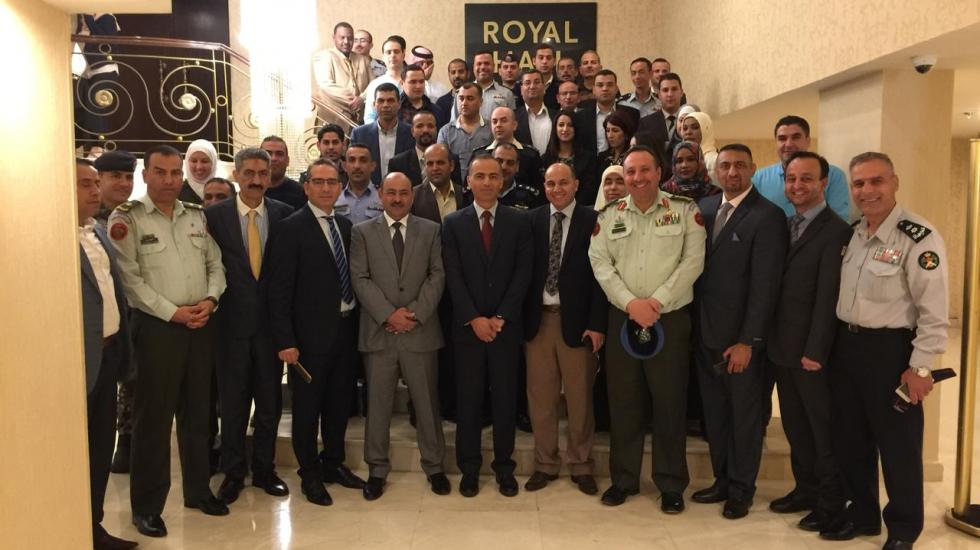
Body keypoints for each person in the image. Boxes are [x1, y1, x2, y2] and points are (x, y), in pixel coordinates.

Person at [821, 152, 948, 550]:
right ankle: (862, 516)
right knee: (851, 440)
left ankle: (903, 530)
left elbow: (934, 312)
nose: (867, 190)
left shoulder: (919, 238)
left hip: (891, 354)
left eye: (876, 181)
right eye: (859, 183)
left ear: (894, 182)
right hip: (848, 348)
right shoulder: (854, 234)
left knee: (898, 447)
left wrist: (920, 368)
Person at [109, 145, 228, 537]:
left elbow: (215, 264)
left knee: (198, 414)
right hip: (157, 329)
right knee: (154, 421)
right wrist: (172, 312)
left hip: (200, 325)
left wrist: (210, 299)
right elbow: (129, 281)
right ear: (145, 174)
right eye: (161, 172)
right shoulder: (127, 218)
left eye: (176, 173)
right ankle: (146, 507)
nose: (170, 180)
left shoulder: (195, 215)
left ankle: (198, 491)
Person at [589, 145, 706, 509]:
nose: (637, 178)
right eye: (630, 172)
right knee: (624, 401)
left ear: (659, 173)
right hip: (623, 318)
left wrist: (655, 302)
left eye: (644, 170)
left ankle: (671, 484)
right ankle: (624, 480)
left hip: (668, 318)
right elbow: (600, 263)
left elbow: (693, 262)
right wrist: (631, 303)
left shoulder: (684, 211)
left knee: (669, 402)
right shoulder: (609, 215)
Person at [691, 143, 788, 520]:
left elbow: (765, 287)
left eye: (740, 166)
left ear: (753, 169)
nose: (732, 172)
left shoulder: (768, 216)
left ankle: (741, 489)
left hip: (740, 342)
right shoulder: (704, 209)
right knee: (715, 415)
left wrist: (748, 340)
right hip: (705, 335)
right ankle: (721, 480)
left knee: (744, 419)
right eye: (726, 166)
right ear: (716, 171)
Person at [266, 158, 366, 506]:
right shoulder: (290, 228)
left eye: (332, 182)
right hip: (307, 340)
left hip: (345, 331)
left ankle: (333, 463)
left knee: (339, 406)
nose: (326, 188)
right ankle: (309, 474)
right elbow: (278, 290)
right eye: (318, 182)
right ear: (306, 186)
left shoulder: (346, 226)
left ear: (340, 187)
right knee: (307, 411)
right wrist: (285, 340)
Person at [349, 172, 451, 500]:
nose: (396, 199)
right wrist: (388, 315)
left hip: (420, 331)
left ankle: (434, 466)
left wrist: (415, 314)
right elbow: (360, 278)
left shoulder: (431, 230)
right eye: (390, 192)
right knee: (378, 405)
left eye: (403, 193)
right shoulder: (362, 232)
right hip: (379, 333)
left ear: (412, 195)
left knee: (427, 404)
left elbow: (437, 275)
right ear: (381, 194)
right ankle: (377, 469)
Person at [764, 151, 851, 532]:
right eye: (791, 179)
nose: (797, 186)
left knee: (822, 431)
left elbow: (828, 297)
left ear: (823, 183)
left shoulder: (836, 231)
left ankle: (831, 503)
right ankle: (805, 489)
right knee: (796, 427)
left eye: (806, 178)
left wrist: (816, 350)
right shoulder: (786, 225)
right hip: (783, 348)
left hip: (812, 354)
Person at [204, 147, 294, 506]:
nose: (256, 180)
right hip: (230, 328)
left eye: (263, 173)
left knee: (270, 404)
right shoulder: (214, 217)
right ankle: (233, 473)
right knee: (233, 404)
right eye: (250, 173)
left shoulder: (285, 215)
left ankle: (264, 470)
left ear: (270, 176)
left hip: (271, 328)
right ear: (237, 175)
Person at [441, 153, 533, 497]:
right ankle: (469, 468)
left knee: (505, 400)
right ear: (468, 181)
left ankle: (504, 468)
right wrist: (475, 318)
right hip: (468, 329)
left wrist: (500, 317)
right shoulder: (453, 223)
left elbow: (523, 274)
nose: (487, 182)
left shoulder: (519, 222)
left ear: (502, 180)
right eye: (479, 176)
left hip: (505, 329)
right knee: (468, 401)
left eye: (494, 176)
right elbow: (453, 276)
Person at [523, 162, 607, 495]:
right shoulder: (531, 220)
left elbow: (602, 276)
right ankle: (545, 463)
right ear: (544, 187)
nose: (556, 189)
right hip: (539, 322)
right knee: (541, 399)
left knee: (579, 399)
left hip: (579, 324)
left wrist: (597, 323)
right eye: (550, 183)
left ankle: (581, 464)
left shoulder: (593, 220)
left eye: (563, 183)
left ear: (576, 185)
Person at [76, 158, 139, 550]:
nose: (95, 191)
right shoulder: (51, 238)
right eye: (85, 184)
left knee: (101, 446)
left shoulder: (98, 231)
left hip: (109, 352)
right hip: (77, 360)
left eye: (94, 183)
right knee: (76, 450)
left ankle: (94, 526)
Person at [412, 143, 471, 423]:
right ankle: (421, 410)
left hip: (460, 286)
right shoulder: (413, 196)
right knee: (425, 353)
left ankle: (453, 406)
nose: (434, 168)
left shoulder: (466, 195)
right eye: (429, 163)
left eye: (440, 162)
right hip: (423, 286)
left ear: (452, 165)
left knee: (455, 352)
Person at [752, 115, 850, 220]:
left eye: (796, 137)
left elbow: (839, 220)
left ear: (808, 141)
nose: (788, 144)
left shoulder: (833, 175)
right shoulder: (758, 178)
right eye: (782, 139)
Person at [350, 83, 415, 186]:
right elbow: (353, 169)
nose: (385, 105)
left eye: (390, 100)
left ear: (399, 104)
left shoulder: (411, 133)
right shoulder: (359, 135)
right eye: (381, 101)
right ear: (374, 105)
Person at [312, 22, 372, 127]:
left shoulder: (364, 60)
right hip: (333, 119)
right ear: (334, 38)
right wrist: (355, 101)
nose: (346, 42)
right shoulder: (324, 56)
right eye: (342, 38)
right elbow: (326, 85)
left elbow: (374, 84)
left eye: (350, 38)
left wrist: (362, 98)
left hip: (360, 121)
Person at [389, 111, 462, 188]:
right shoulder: (398, 163)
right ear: (412, 131)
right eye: (420, 126)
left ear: (436, 130)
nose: (425, 130)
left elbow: (457, 191)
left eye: (430, 126)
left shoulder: (451, 160)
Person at [437, 82, 493, 183]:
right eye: (461, 98)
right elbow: (441, 163)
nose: (464, 103)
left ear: (481, 102)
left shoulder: (491, 129)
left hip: (484, 184)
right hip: (454, 186)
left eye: (470, 98)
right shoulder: (445, 131)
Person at [574, 70, 639, 155]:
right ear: (594, 90)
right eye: (600, 85)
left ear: (616, 89)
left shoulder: (631, 114)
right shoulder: (580, 117)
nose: (605, 89)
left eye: (610, 85)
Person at [542, 109, 597, 205]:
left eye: (570, 125)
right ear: (555, 129)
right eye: (561, 125)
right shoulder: (545, 159)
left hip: (580, 208)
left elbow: (589, 191)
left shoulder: (589, 159)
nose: (565, 129)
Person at [635, 73, 686, 158]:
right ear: (659, 94)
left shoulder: (689, 120)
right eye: (665, 90)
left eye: (674, 89)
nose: (670, 94)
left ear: (681, 92)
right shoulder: (646, 123)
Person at [334, 144, 384, 224]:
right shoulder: (335, 197)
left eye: (363, 160)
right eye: (352, 160)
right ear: (344, 166)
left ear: (373, 166)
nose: (357, 166)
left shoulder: (383, 197)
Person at [363, 35, 407, 124]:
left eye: (396, 52)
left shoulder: (414, 81)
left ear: (403, 55)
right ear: (383, 57)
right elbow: (369, 117)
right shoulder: (375, 84)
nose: (393, 55)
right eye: (388, 52)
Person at [494, 142, 547, 211]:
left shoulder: (531, 197)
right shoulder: (480, 192)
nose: (504, 167)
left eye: (510, 163)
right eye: (499, 161)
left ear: (517, 166)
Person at [260, 136, 307, 210]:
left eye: (279, 154)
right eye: (268, 154)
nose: (273, 158)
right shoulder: (251, 191)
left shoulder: (301, 193)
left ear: (287, 161)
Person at [515, 70, 555, 156]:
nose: (532, 86)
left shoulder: (556, 116)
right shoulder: (513, 117)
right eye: (527, 83)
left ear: (544, 87)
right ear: (521, 90)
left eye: (536, 82)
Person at [468, 50, 516, 120]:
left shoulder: (507, 94)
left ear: (494, 66)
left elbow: (511, 122)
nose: (483, 67)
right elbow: (455, 123)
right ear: (473, 67)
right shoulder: (462, 93)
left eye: (487, 63)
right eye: (479, 64)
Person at [398, 64, 448, 129]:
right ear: (402, 83)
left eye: (421, 82)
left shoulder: (436, 111)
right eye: (413, 82)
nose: (418, 86)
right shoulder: (395, 109)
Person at [94, 150, 136, 224]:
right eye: (116, 176)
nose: (124, 184)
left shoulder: (139, 215)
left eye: (129, 177)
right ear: (99, 177)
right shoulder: (86, 216)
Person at [680, 112, 719, 186]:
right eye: (685, 128)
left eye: (695, 127)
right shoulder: (680, 160)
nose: (688, 132)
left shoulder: (713, 161)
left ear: (706, 130)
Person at [179, 138, 217, 204]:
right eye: (194, 161)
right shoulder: (178, 191)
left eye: (204, 161)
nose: (199, 167)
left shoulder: (223, 190)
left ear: (213, 163)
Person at [530, 43, 561, 109]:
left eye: (548, 58)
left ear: (554, 61)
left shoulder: (561, 86)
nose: (544, 61)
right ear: (534, 61)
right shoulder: (524, 86)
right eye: (541, 58)